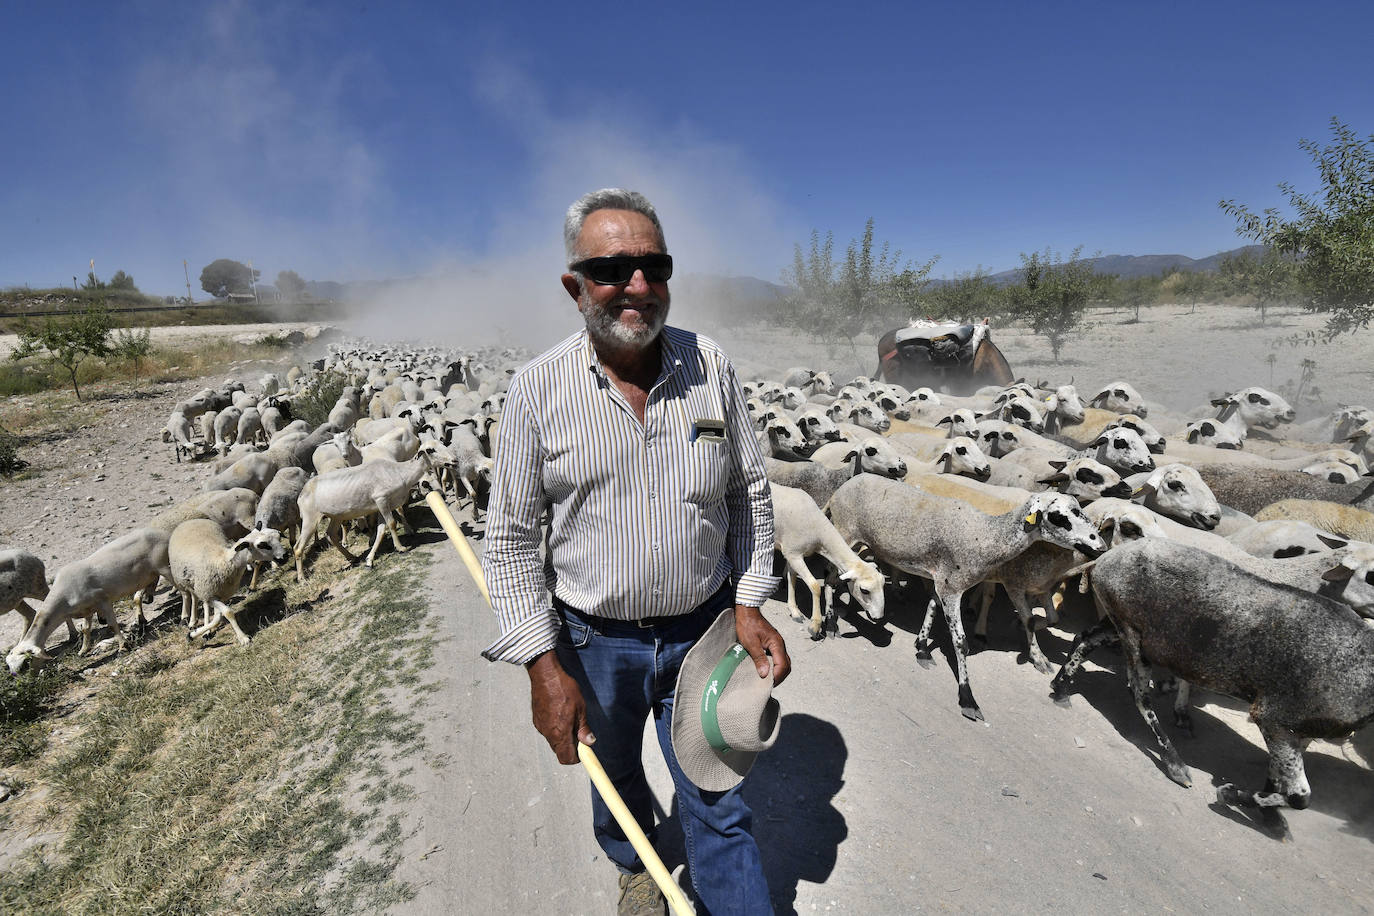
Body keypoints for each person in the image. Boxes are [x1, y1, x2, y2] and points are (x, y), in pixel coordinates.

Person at [481, 188, 791, 915]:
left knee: (718, 799)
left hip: (704, 631)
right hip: (594, 641)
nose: (639, 286)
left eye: (654, 265)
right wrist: (541, 664)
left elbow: (748, 490)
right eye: (614, 269)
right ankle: (636, 864)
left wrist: (748, 601)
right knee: (614, 773)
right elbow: (512, 538)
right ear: (575, 286)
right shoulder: (536, 391)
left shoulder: (708, 365)